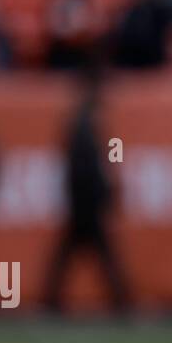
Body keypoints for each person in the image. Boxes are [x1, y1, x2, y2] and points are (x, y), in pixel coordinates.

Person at [42, 78, 130, 314]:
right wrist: (102, 196)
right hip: (85, 204)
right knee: (100, 254)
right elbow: (86, 169)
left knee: (75, 254)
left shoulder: (83, 125)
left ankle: (51, 299)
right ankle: (121, 300)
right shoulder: (84, 127)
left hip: (83, 202)